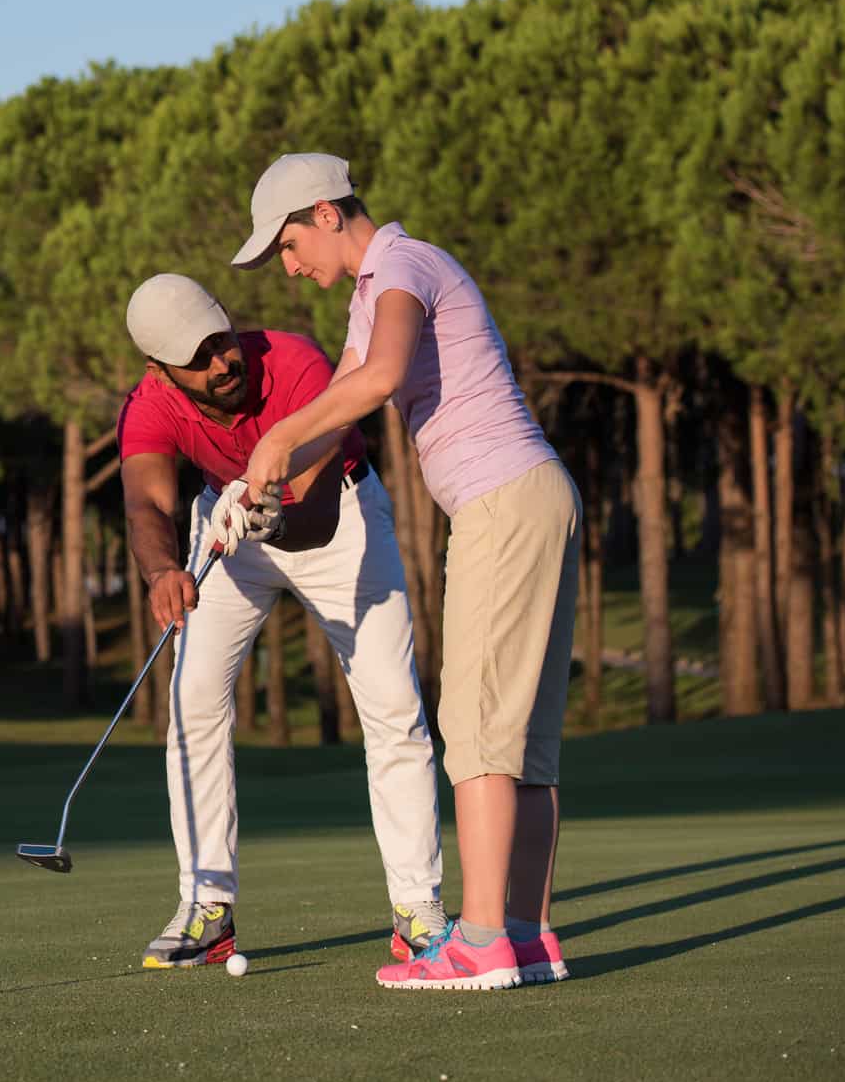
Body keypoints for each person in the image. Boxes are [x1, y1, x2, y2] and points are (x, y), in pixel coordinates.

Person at [234, 153, 580, 991]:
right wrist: (265, 486)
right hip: (534, 494)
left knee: (479, 729)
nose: (287, 267)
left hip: (502, 501)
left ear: (324, 212)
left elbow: (384, 375)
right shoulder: (369, 296)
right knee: (522, 741)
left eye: (285, 245)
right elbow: (347, 400)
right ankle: (528, 934)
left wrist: (274, 439)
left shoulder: (401, 263)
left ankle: (484, 938)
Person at [118, 272, 444, 969]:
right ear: (161, 372)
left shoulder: (296, 364)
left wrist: (274, 521)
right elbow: (146, 502)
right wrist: (161, 570)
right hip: (224, 521)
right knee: (193, 698)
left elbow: (315, 515)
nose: (222, 361)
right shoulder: (148, 405)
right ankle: (206, 905)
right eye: (198, 358)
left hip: (338, 516)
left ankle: (417, 907)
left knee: (392, 703)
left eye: (222, 339)